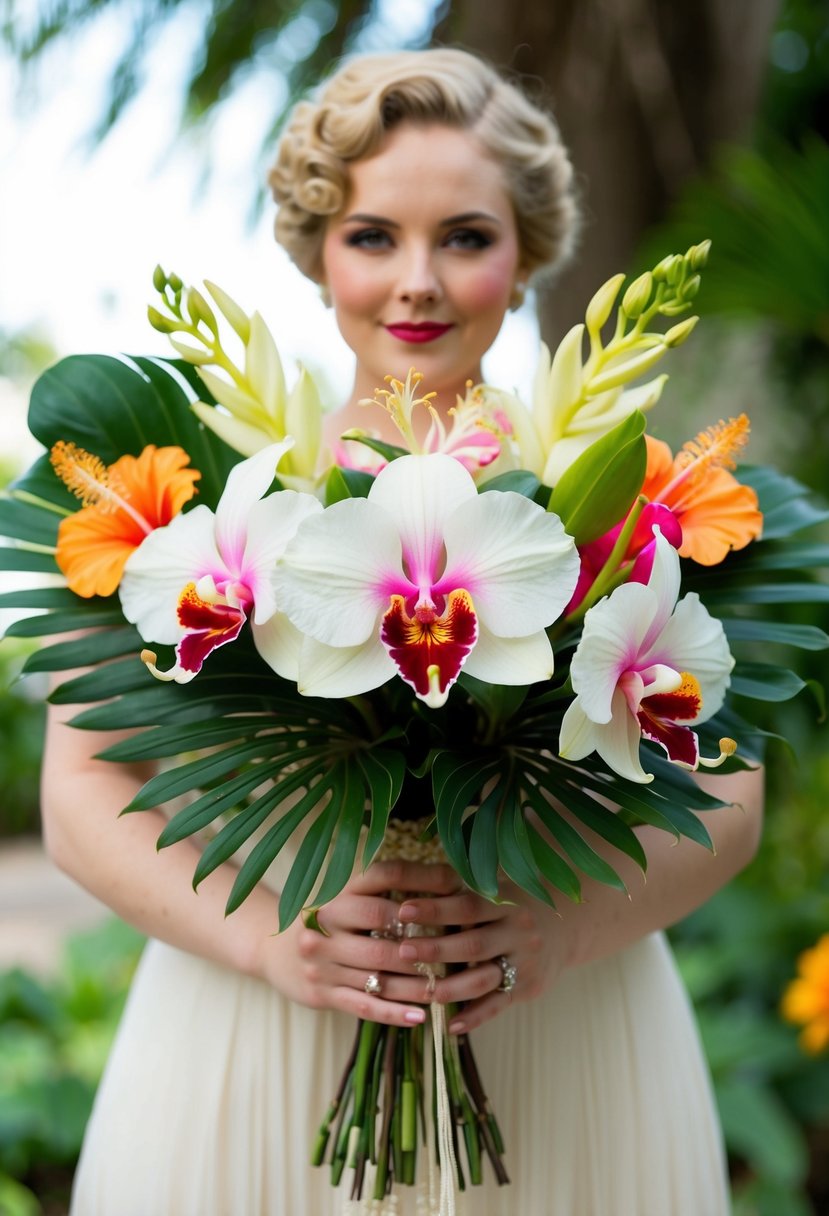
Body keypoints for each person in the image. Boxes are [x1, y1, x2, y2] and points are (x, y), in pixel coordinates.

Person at [42, 47, 764, 1216]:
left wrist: (559, 932)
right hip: (257, 1020)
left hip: (564, 1023)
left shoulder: (633, 496)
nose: (415, 282)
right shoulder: (210, 501)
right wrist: (276, 942)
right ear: (318, 249)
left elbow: (732, 790)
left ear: (525, 252)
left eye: (465, 237)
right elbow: (77, 795)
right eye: (373, 235)